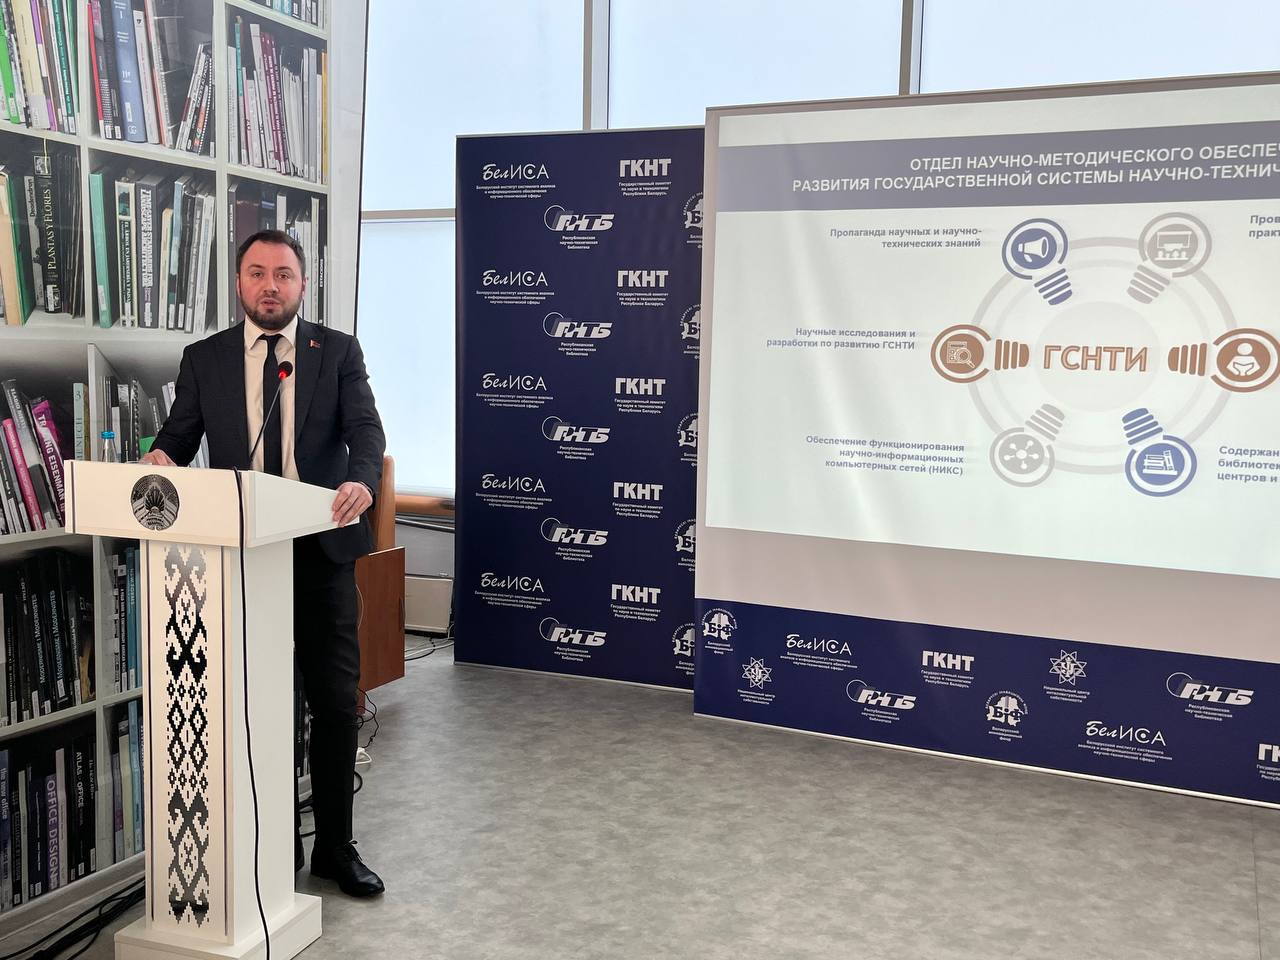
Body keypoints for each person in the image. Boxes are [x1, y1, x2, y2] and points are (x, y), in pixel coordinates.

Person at [141, 229, 387, 897]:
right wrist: (160, 459)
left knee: (333, 702)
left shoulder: (337, 351)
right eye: (257, 273)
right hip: (244, 558)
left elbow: (365, 428)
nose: (270, 285)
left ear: (303, 284)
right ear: (239, 283)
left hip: (322, 549)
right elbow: (178, 439)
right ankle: (274, 844)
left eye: (283, 273)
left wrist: (363, 480)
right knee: (260, 705)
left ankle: (335, 848)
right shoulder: (205, 359)